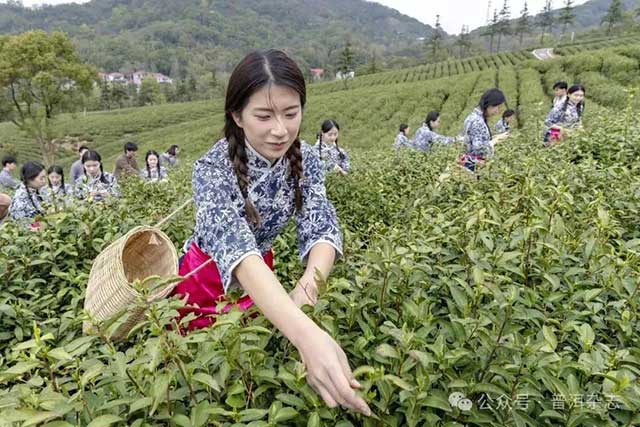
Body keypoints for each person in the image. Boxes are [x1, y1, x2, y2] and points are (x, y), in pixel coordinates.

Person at [171, 49, 370, 416]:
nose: (280, 130)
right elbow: (237, 251)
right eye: (264, 115)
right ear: (237, 115)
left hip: (262, 275)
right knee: (202, 373)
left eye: (291, 114)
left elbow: (321, 222)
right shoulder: (211, 170)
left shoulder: (307, 158)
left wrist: (306, 291)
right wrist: (306, 335)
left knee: (249, 367)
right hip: (206, 280)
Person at [460, 88, 509, 172]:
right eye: (497, 107)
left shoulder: (472, 117)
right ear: (490, 105)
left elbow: (475, 139)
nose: (497, 111)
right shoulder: (478, 122)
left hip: (467, 163)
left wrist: (495, 137)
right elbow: (479, 149)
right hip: (472, 167)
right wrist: (495, 141)